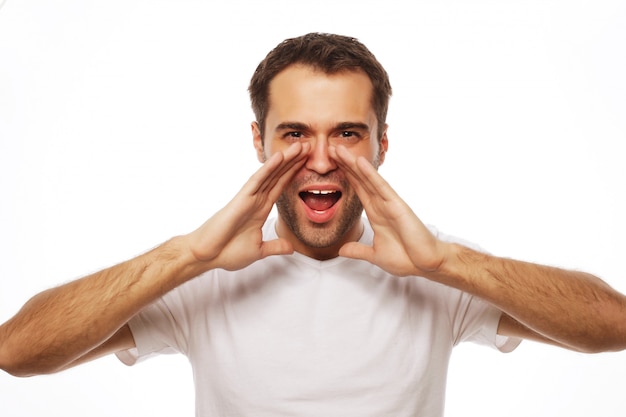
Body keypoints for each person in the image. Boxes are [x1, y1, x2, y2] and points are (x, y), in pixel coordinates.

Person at [0, 32, 625, 416]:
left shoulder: (434, 263)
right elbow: (16, 352)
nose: (321, 159)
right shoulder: (203, 273)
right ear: (258, 140)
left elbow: (613, 326)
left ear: (383, 144)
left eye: (347, 134)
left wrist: (444, 263)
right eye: (294, 134)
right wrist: (187, 256)